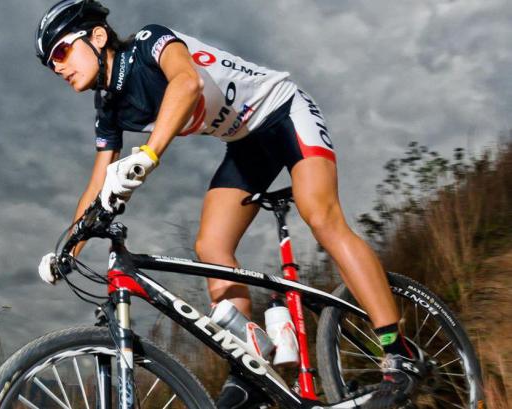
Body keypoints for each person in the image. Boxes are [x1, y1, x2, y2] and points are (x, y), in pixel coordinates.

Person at [35, 1, 424, 408]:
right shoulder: (108, 108)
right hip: (246, 144)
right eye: (50, 63)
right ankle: (251, 367)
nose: (58, 67)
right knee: (211, 247)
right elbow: (97, 181)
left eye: (61, 51)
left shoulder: (149, 42)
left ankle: (399, 352)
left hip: (284, 113)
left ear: (98, 36)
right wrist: (68, 250)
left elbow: (187, 83)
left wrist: (148, 154)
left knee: (320, 216)